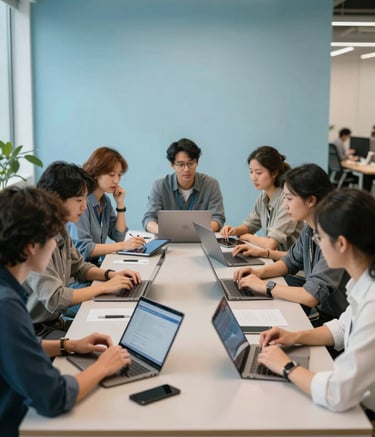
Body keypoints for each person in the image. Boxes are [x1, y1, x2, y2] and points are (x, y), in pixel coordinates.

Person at [0, 186, 131, 437]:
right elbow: (54, 397)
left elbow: (17, 346)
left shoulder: (8, 290)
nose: (55, 244)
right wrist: (102, 366)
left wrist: (68, 345)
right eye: (52, 238)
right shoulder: (6, 306)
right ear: (31, 247)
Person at [257, 188, 375, 425]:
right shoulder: (363, 281)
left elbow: (337, 394)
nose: (317, 243)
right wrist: (294, 336)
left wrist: (286, 366)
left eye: (319, 237)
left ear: (341, 243)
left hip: (364, 414)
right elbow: (343, 328)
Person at [24, 162, 141, 336]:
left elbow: (79, 267)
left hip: (54, 322)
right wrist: (104, 287)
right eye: (79, 200)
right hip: (34, 333)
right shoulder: (36, 238)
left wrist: (111, 275)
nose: (84, 206)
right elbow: (55, 299)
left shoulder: (60, 228)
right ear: (55, 199)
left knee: (115, 332)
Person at [233, 164, 349, 325]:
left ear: (310, 200)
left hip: (338, 321)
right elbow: (291, 261)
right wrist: (258, 273)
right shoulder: (310, 228)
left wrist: (263, 285)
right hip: (326, 313)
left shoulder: (333, 235)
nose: (285, 205)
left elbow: (311, 296)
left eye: (289, 199)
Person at [68, 147, 145, 265]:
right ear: (95, 173)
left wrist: (120, 205)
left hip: (94, 267)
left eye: (119, 175)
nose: (116, 181)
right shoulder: (82, 203)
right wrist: (123, 245)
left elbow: (119, 236)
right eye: (111, 175)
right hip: (78, 274)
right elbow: (84, 249)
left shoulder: (105, 201)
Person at [221, 146, 303, 253]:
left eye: (259, 173)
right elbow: (251, 224)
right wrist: (234, 230)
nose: (253, 177)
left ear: (274, 173)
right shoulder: (264, 195)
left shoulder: (287, 200)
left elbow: (271, 244)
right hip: (271, 258)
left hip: (290, 265)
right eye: (251, 172)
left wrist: (249, 237)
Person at [142, 138, 225, 234]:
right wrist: (165, 232)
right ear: (172, 165)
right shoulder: (160, 186)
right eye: (181, 164)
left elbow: (218, 218)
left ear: (197, 162)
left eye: (191, 163)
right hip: (168, 238)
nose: (186, 169)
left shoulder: (211, 185)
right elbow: (149, 218)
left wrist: (193, 233)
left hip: (201, 238)